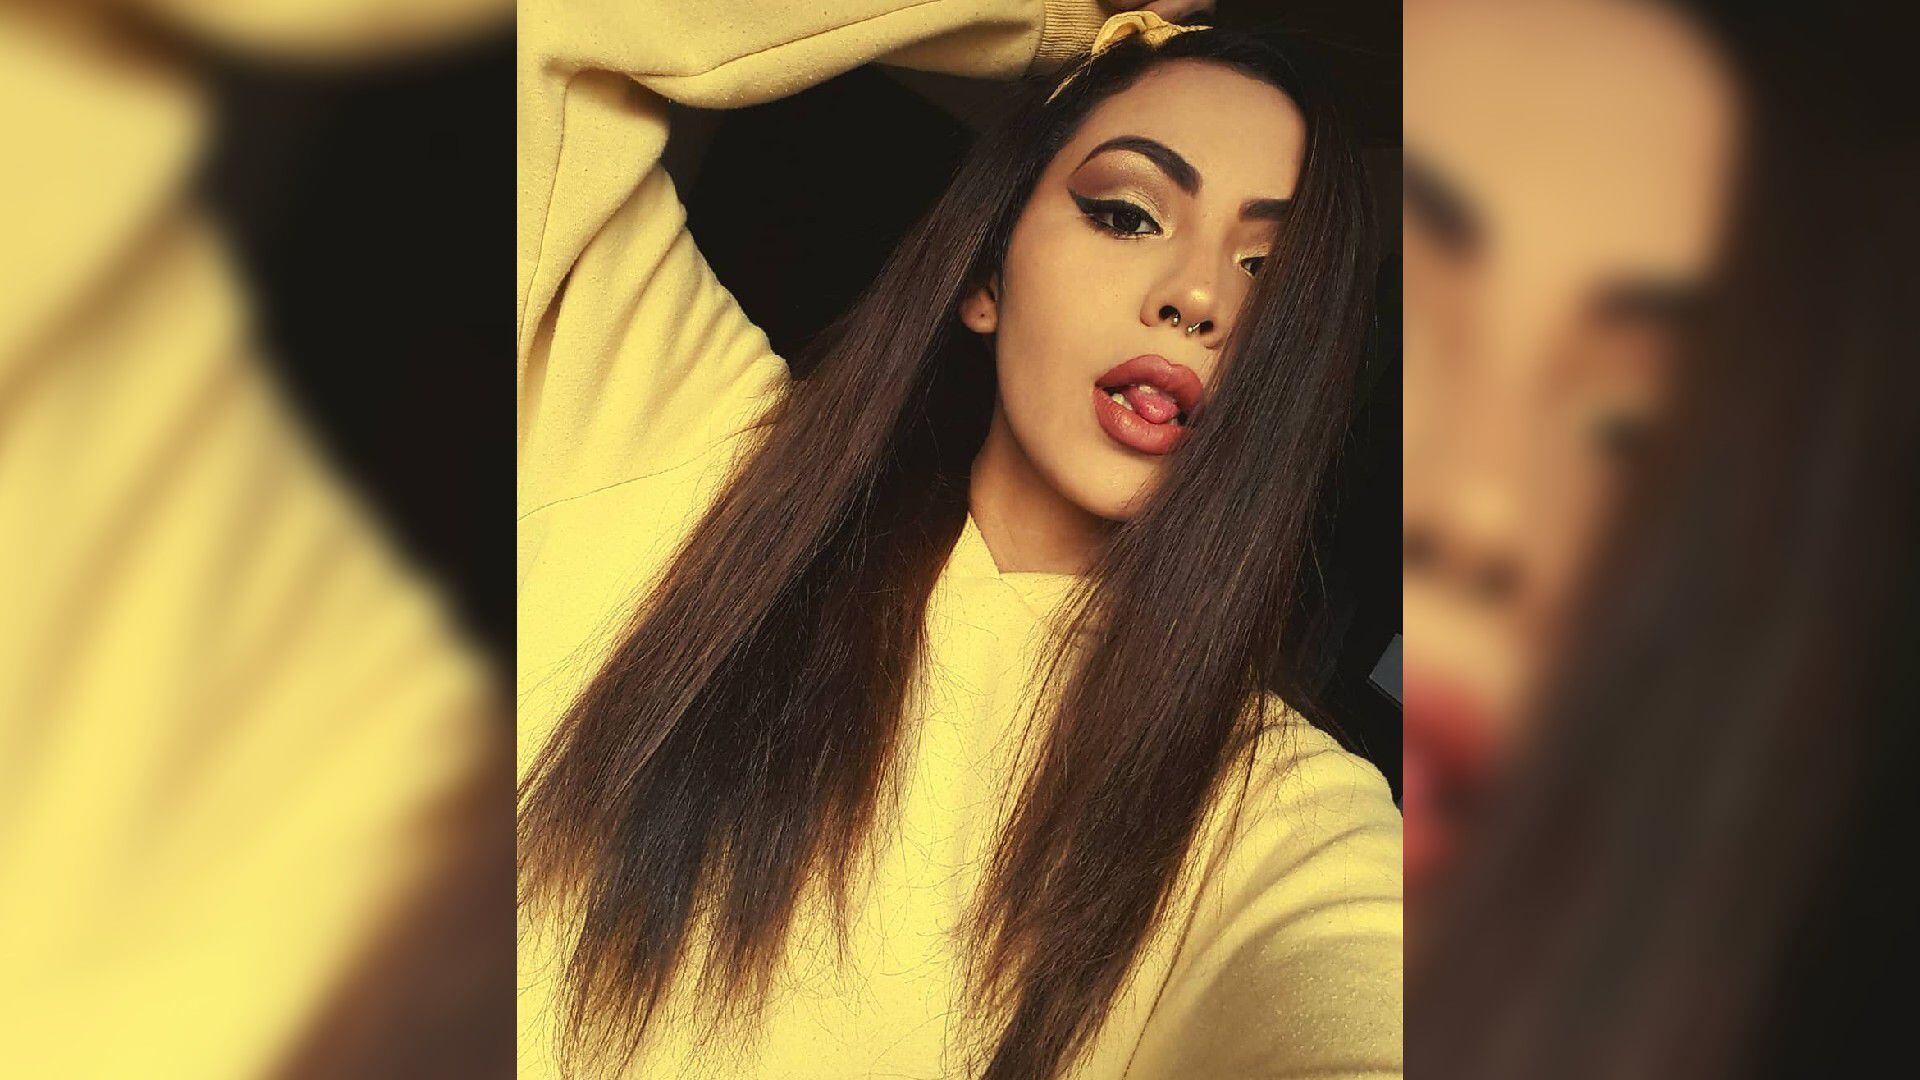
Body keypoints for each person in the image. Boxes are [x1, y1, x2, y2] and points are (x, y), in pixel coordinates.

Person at [516, 2, 1402, 1078]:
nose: (1200, 296)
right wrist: (1070, 19)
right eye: (1128, 214)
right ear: (987, 276)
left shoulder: (1276, 819)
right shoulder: (690, 448)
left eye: (1269, 272)